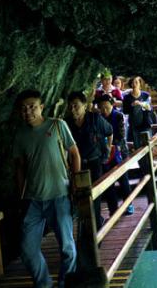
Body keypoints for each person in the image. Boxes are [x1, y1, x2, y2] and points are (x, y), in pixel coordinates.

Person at [13, 89, 81, 288]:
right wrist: (21, 195)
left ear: (41, 107)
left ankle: (65, 283)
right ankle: (44, 284)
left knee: (68, 248)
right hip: (33, 200)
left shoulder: (57, 125)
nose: (28, 111)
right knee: (27, 250)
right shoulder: (20, 135)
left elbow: (74, 154)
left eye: (32, 106)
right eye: (24, 108)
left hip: (59, 196)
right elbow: (19, 167)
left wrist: (75, 184)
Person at [65, 92, 113, 228]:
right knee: (80, 197)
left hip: (94, 162)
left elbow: (109, 131)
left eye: (76, 106)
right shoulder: (67, 123)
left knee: (95, 196)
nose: (73, 109)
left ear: (85, 106)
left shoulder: (95, 119)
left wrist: (108, 148)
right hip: (76, 166)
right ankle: (88, 225)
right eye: (70, 106)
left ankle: (96, 228)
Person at [96, 94, 134, 216]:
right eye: (101, 108)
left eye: (106, 107)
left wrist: (111, 144)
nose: (104, 110)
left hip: (119, 152)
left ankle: (128, 205)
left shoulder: (118, 116)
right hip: (104, 154)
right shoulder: (97, 118)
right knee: (108, 182)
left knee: (124, 180)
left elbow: (122, 136)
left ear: (112, 105)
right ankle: (113, 209)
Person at [123, 76, 153, 149]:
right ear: (131, 84)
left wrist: (142, 104)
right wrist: (132, 105)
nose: (134, 84)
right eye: (133, 82)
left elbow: (150, 109)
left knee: (148, 145)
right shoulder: (127, 97)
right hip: (134, 125)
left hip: (146, 123)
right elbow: (125, 111)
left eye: (136, 82)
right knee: (137, 147)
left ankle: (149, 160)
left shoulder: (146, 95)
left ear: (140, 83)